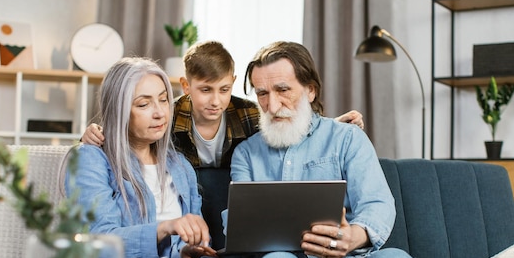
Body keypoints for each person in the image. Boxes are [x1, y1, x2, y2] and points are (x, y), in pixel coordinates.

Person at [229, 41, 425, 258]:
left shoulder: (347, 138)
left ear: (310, 90)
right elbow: (240, 224)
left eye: (283, 90)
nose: (272, 105)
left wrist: (353, 237)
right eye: (262, 93)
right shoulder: (246, 154)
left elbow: (377, 203)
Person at [67, 57, 235, 258]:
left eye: (164, 100)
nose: (160, 113)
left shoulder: (180, 167)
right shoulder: (91, 159)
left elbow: (189, 239)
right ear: (119, 109)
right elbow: (99, 242)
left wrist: (188, 250)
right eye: (144, 104)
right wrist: (165, 228)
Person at [81, 40, 365, 168]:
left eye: (224, 89)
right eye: (205, 90)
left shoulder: (248, 112)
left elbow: (287, 121)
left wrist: (332, 125)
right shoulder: (169, 114)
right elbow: (132, 131)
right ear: (186, 86)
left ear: (233, 82)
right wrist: (92, 137)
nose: (215, 101)